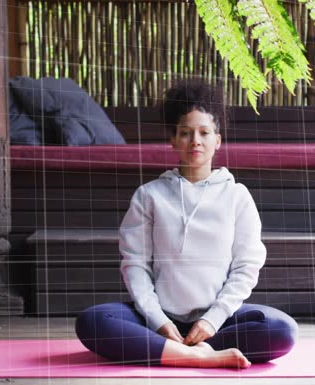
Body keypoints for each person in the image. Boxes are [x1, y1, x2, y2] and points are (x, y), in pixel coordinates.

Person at [75, 80, 298, 369]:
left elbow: (246, 266)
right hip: (158, 319)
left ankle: (178, 352)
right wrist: (159, 322)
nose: (195, 141)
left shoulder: (236, 195)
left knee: (281, 330)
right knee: (93, 321)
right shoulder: (149, 195)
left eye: (205, 133)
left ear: (217, 140)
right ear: (173, 139)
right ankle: (198, 357)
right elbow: (135, 265)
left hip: (218, 322)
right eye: (186, 133)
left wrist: (212, 320)